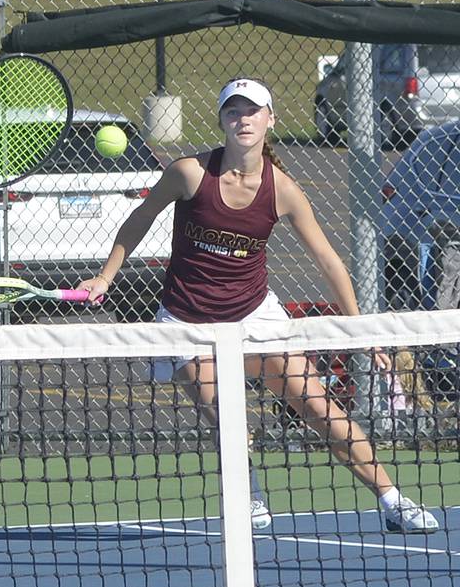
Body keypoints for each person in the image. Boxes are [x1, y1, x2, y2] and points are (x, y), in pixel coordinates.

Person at [78, 78, 439, 535]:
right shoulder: (189, 173)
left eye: (253, 111)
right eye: (234, 111)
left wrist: (361, 331)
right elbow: (140, 218)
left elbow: (328, 260)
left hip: (255, 315)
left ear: (270, 120)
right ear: (222, 121)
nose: (243, 119)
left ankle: (392, 500)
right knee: (226, 417)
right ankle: (249, 495)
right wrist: (105, 276)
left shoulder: (283, 189)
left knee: (321, 410)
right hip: (188, 321)